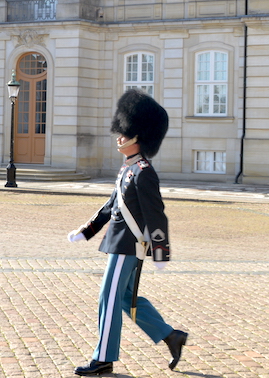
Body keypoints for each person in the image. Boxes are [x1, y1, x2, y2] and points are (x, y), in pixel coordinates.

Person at [67, 89, 188, 376]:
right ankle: (171, 336)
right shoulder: (129, 169)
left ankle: (104, 358)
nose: (119, 136)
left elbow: (155, 214)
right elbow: (111, 206)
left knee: (108, 297)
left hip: (128, 245)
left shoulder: (144, 171)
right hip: (120, 243)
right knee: (126, 300)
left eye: (125, 131)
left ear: (139, 135)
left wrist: (161, 251)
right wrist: (86, 231)